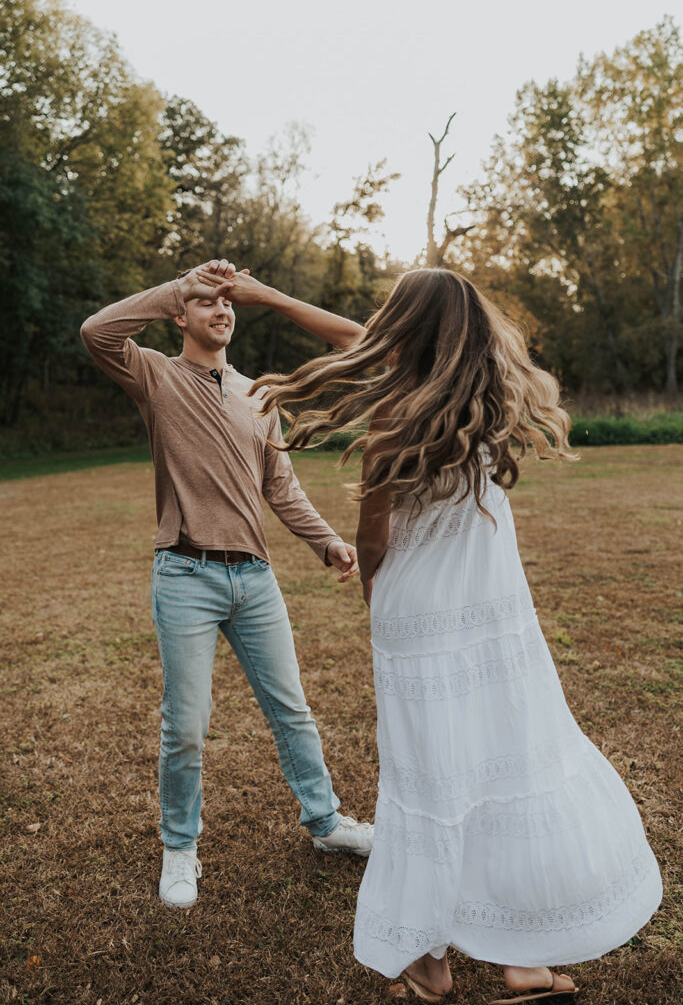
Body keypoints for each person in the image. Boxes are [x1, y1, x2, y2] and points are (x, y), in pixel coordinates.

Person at [209, 263, 663, 1004]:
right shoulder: (489, 400)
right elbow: (360, 340)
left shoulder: (396, 410)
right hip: (493, 613)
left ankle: (428, 963)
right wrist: (268, 297)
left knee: (427, 776)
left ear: (404, 332)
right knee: (508, 759)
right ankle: (523, 964)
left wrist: (370, 597)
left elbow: (373, 534)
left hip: (416, 614)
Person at [80, 260, 374, 912]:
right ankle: (180, 848)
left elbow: (280, 487)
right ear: (180, 316)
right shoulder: (153, 374)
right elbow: (97, 331)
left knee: (292, 711)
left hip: (255, 578)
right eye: (204, 303)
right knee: (185, 726)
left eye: (227, 302)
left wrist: (325, 539)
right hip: (184, 573)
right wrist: (176, 288)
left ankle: (325, 825)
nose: (221, 310)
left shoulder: (259, 396)